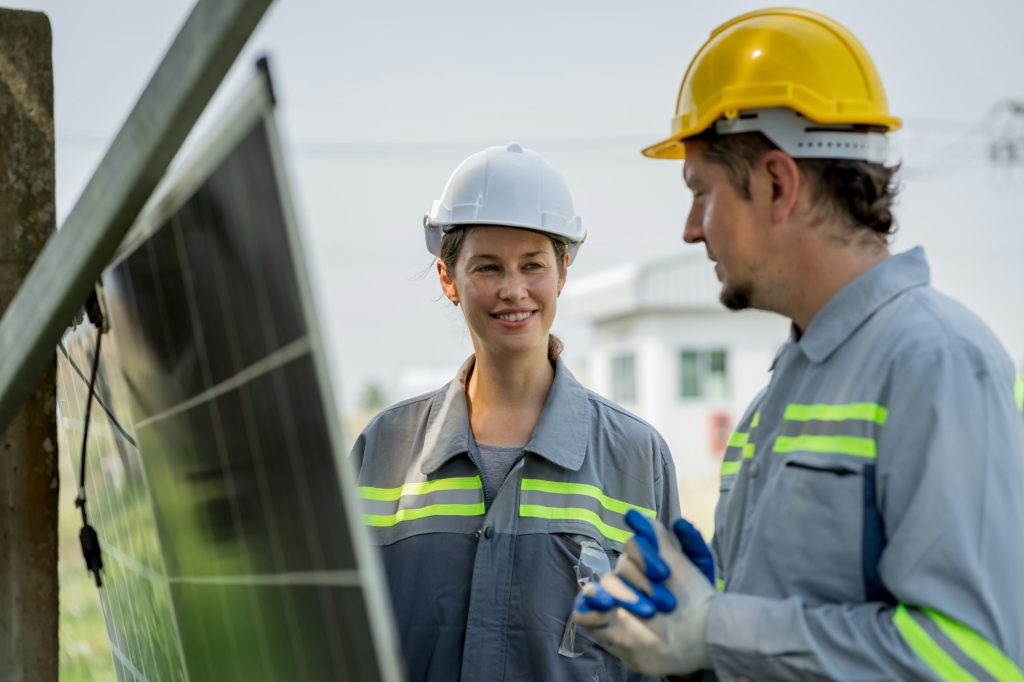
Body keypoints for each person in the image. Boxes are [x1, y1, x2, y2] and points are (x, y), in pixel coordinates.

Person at [573, 8, 1024, 680]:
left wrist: (718, 627)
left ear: (778, 185)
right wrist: (702, 602)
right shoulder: (782, 391)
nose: (691, 230)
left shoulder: (937, 362)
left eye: (701, 193)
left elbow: (976, 658)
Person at [351, 142, 682, 681]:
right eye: (487, 267)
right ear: (447, 278)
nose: (513, 290)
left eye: (533, 265)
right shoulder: (384, 450)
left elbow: (668, 657)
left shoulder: (635, 458)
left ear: (563, 273)